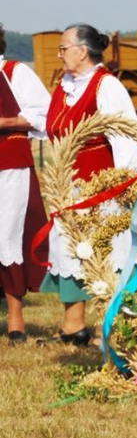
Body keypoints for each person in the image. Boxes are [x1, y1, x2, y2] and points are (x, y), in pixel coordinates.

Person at [40, 24, 137, 346]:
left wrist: (118, 186)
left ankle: (106, 329)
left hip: (101, 189)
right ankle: (73, 327)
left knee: (104, 255)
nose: (60, 54)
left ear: (82, 51)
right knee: (70, 251)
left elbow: (127, 139)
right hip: (68, 188)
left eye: (63, 48)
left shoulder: (107, 86)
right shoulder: (65, 85)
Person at [0, 24, 50, 344]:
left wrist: (5, 122)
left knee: (7, 234)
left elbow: (45, 116)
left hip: (8, 163)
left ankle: (16, 316)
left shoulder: (15, 72)